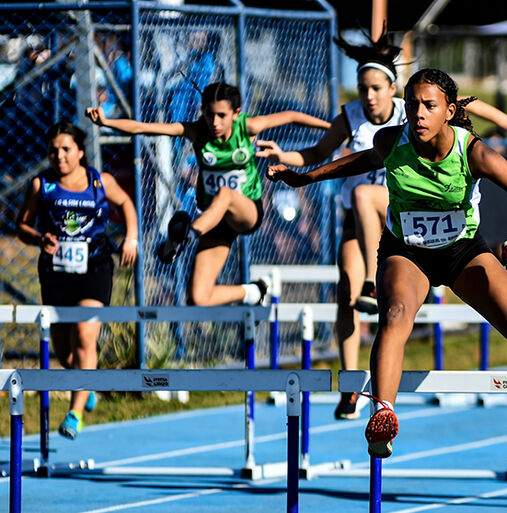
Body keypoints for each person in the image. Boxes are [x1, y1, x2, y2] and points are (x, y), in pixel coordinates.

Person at [268, 68, 507, 458]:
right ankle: (383, 414)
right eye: (412, 106)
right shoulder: (392, 140)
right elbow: (355, 162)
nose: (419, 114)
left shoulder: (475, 153)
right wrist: (305, 179)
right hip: (406, 251)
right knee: (394, 314)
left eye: (429, 106)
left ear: (449, 110)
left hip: (461, 252)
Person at [255, 33, 507, 420]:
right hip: (371, 225)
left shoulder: (410, 113)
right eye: (362, 89)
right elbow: (320, 154)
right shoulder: (350, 116)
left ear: (391, 90)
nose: (369, 97)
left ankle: (377, 283)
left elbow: (465, 105)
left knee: (365, 198)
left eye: (376, 89)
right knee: (346, 290)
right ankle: (354, 385)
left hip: (408, 217)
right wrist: (290, 162)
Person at [85, 82, 330, 306]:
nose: (214, 122)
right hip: (214, 219)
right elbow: (144, 127)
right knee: (198, 297)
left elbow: (291, 116)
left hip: (247, 211)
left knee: (225, 193)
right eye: (209, 114)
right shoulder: (197, 131)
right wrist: (107, 123)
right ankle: (255, 292)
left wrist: (333, 129)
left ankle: (185, 238)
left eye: (221, 116)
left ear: (236, 114)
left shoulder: (248, 126)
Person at [16, 122, 139, 439]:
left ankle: (74, 414)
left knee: (85, 334)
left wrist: (131, 239)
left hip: (94, 268)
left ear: (81, 152)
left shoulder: (100, 181)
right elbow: (22, 226)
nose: (59, 156)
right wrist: (38, 237)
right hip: (56, 273)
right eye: (53, 150)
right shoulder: (41, 185)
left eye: (66, 149)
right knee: (65, 354)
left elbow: (126, 203)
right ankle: (87, 381)